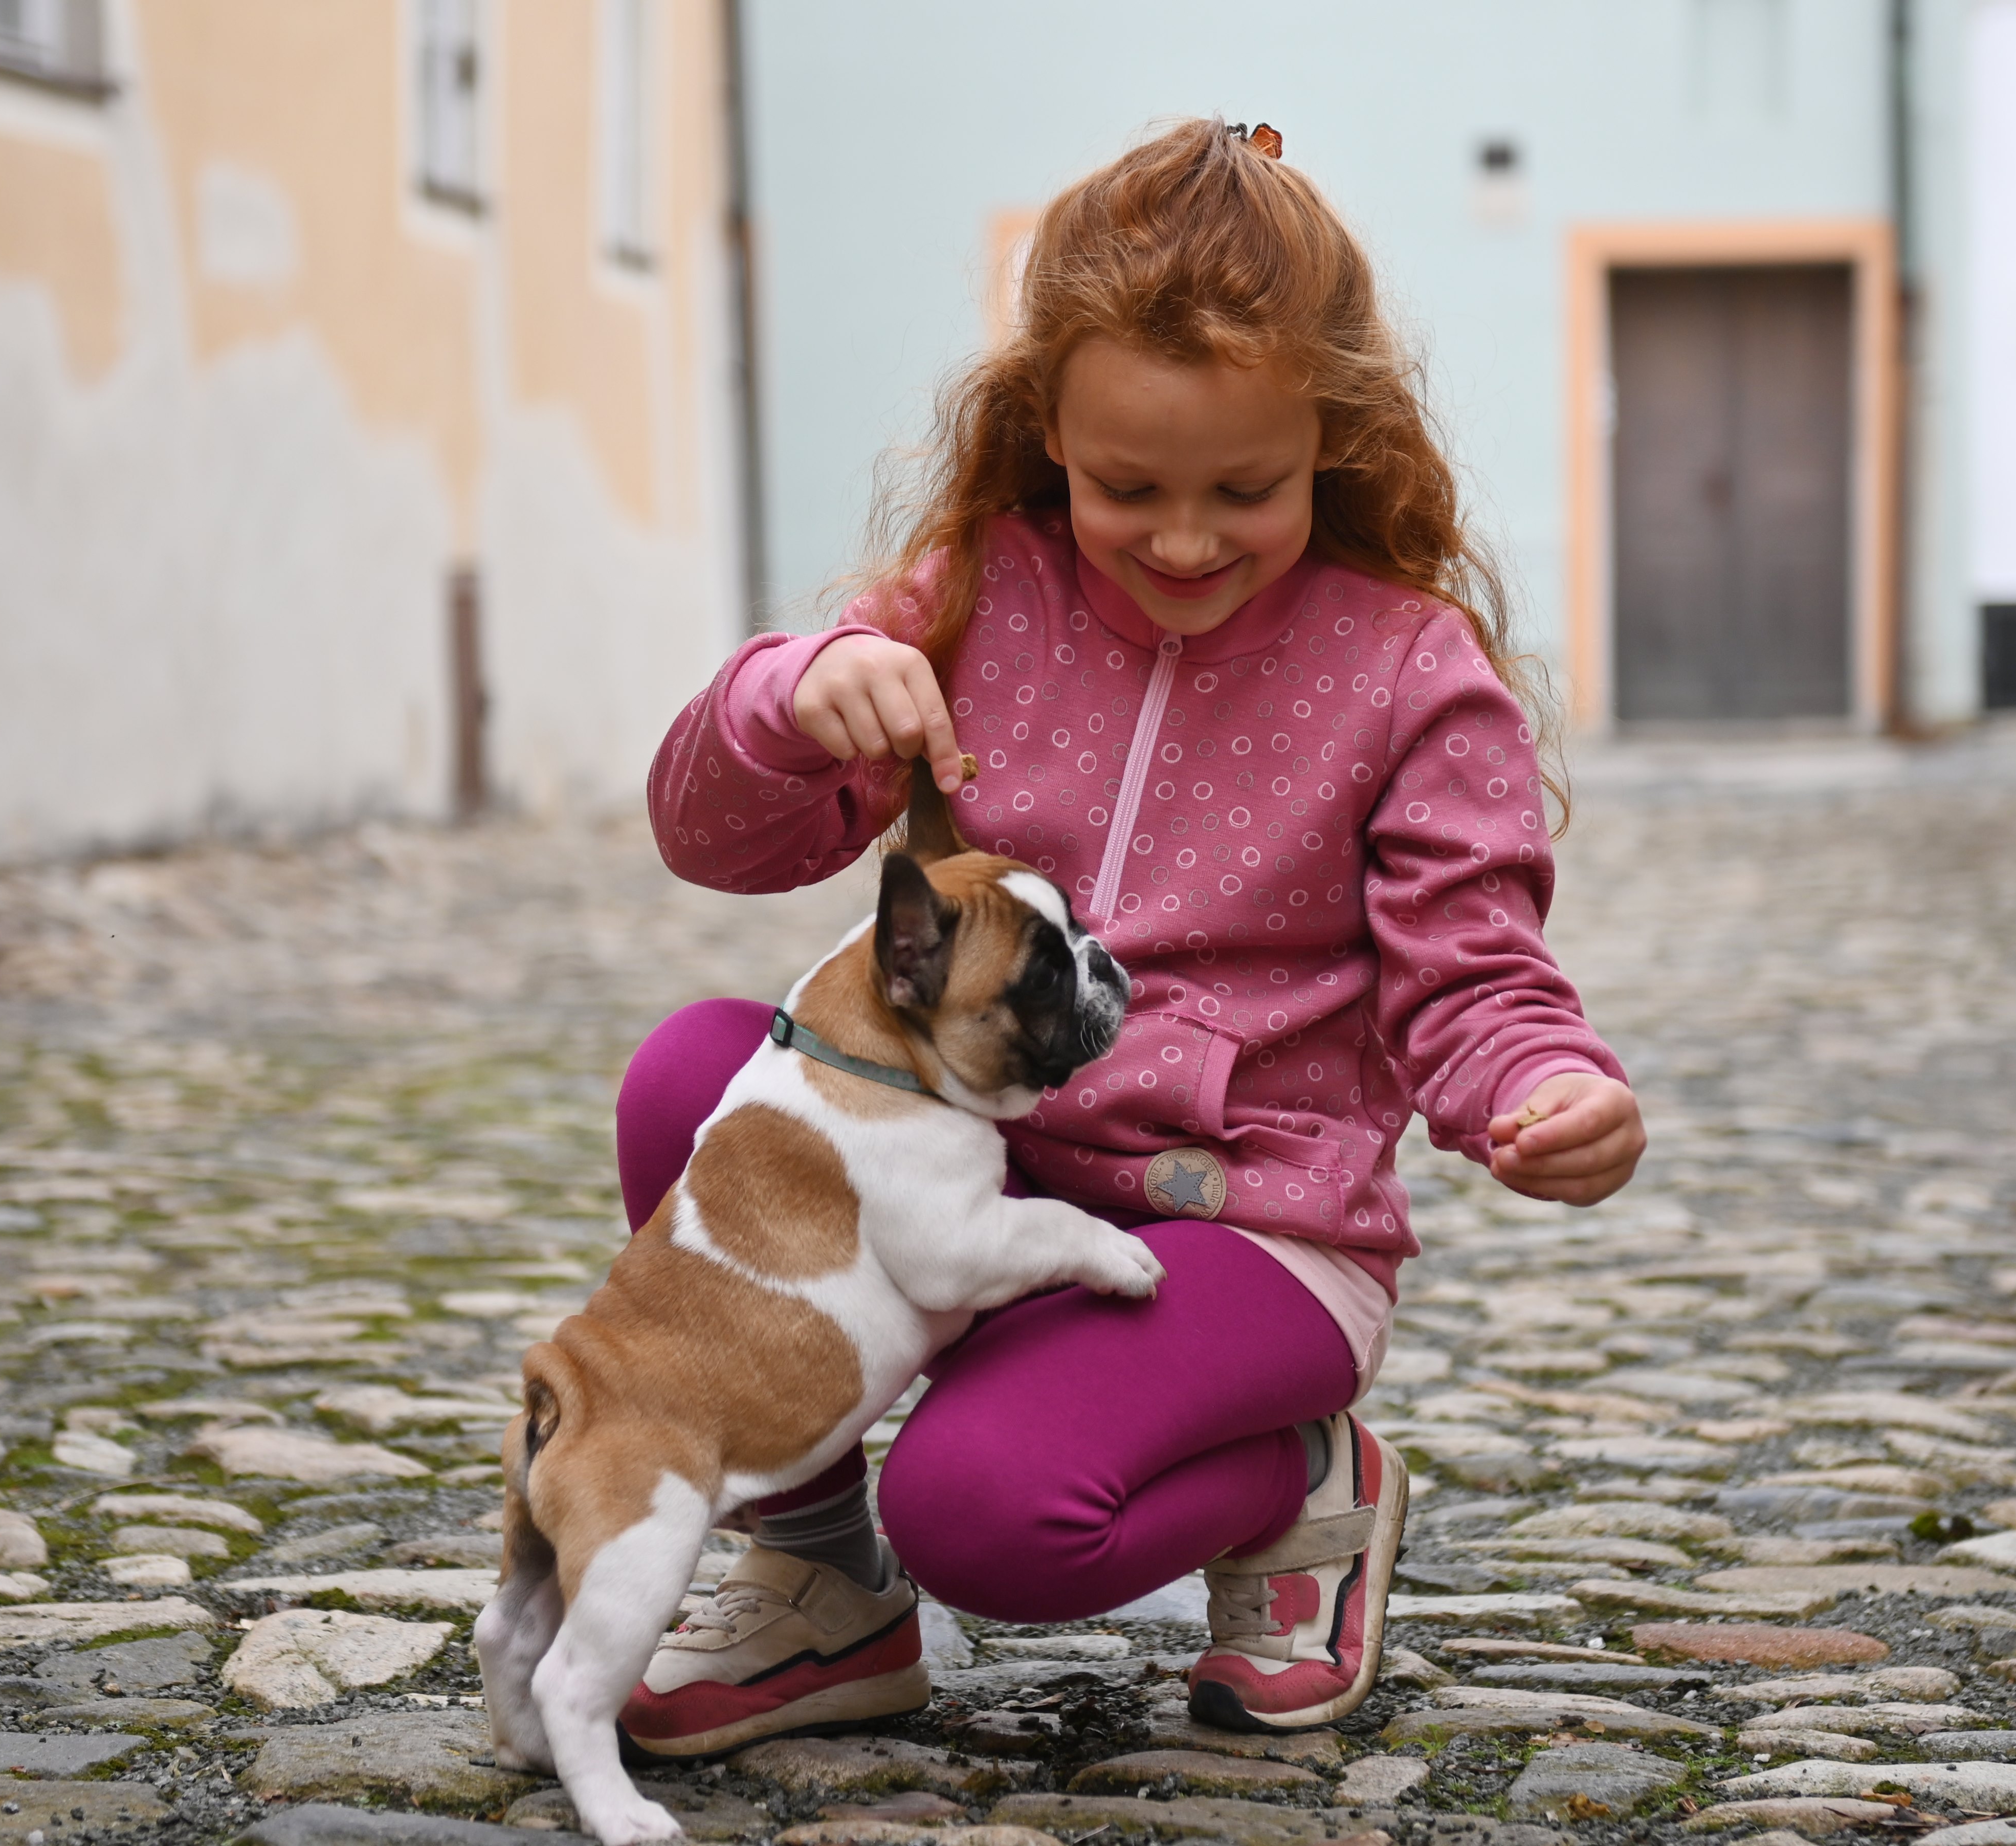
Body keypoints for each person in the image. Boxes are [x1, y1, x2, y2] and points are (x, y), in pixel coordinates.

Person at [615, 117, 1643, 1755]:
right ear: (1048, 433)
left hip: (1247, 1229)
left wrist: (1544, 1079)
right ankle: (817, 1580)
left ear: (1337, 440)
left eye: (1247, 490)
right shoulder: (969, 599)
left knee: (992, 1524)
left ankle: (1308, 1478)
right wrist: (789, 697)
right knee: (691, 1081)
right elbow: (712, 836)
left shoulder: (1406, 668)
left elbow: (1473, 965)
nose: (1182, 541)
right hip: (982, 1176)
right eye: (1125, 489)